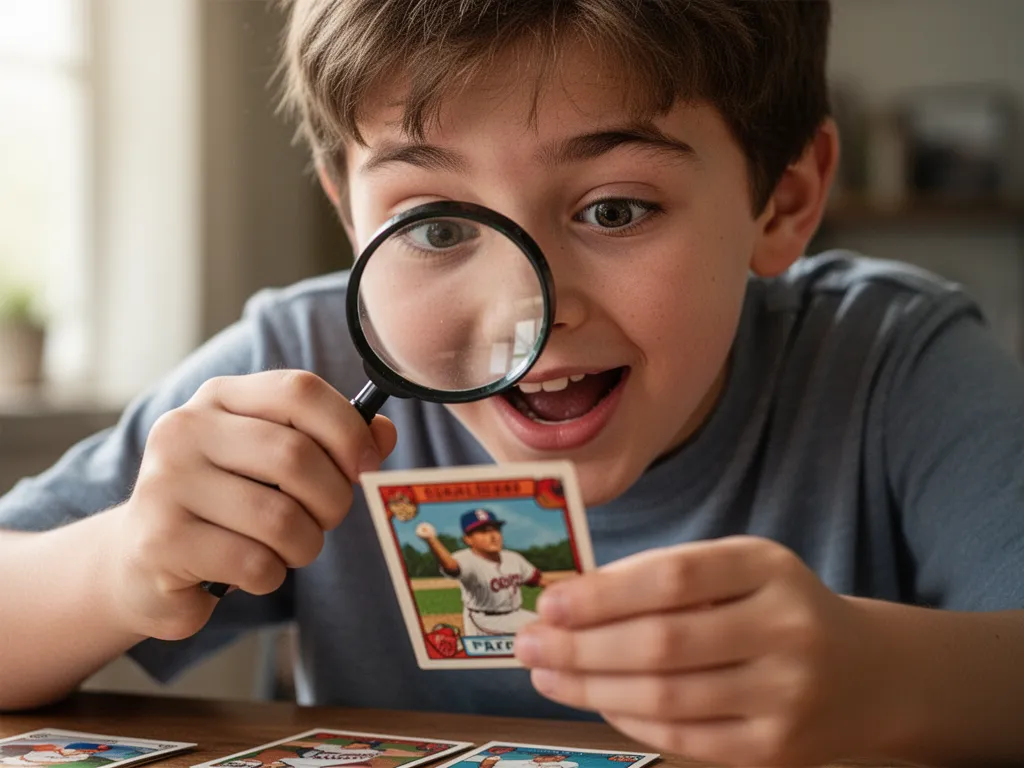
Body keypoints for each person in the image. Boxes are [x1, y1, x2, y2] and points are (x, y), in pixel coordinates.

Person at [1, 1, 1023, 765]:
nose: (520, 315)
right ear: (355, 220)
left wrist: (884, 678)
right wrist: (119, 563)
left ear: (783, 201)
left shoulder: (892, 360)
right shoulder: (304, 354)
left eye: (616, 210)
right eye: (436, 227)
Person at [415, 508, 545, 636]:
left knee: (553, 625)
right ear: (468, 539)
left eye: (496, 529)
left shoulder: (513, 558)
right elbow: (451, 566)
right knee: (539, 633)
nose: (493, 536)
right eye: (483, 532)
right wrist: (432, 540)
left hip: (515, 614)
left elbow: (538, 580)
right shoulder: (466, 559)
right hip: (485, 621)